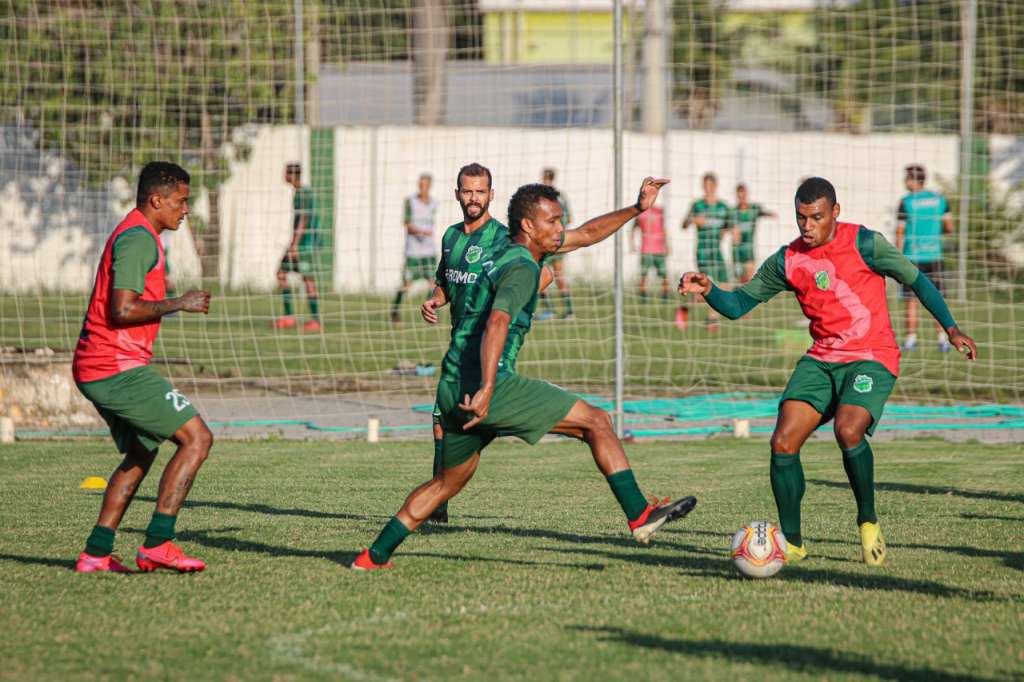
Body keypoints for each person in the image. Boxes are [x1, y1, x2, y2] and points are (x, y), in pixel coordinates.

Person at [352, 176, 698, 571]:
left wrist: (638, 209)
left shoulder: (512, 251)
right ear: (529, 226)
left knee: (445, 485)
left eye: (560, 220)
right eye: (552, 221)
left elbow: (586, 235)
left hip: (451, 384)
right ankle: (639, 515)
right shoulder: (520, 267)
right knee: (597, 421)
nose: (560, 228)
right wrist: (487, 387)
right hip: (488, 384)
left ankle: (372, 556)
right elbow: (498, 321)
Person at [678, 177, 977, 566]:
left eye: (816, 217)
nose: (807, 226)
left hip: (872, 355)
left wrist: (950, 328)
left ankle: (868, 521)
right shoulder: (788, 260)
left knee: (847, 430)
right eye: (801, 217)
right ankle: (795, 543)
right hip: (822, 360)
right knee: (783, 441)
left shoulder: (866, 243)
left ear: (835, 212)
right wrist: (708, 289)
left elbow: (917, 280)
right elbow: (737, 306)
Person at [72, 161, 214, 573]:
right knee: (198, 439)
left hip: (99, 365)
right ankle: (159, 543)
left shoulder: (138, 232)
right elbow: (123, 308)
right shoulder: (138, 240)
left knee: (141, 452)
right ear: (157, 200)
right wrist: (179, 302)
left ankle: (96, 554)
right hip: (114, 366)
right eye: (181, 201)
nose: (185, 210)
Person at [896, 164, 955, 352]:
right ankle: (942, 339)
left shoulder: (906, 202)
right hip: (934, 255)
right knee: (936, 298)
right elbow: (949, 227)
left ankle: (911, 340)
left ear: (913, 180)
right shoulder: (940, 200)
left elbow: (900, 231)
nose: (904, 182)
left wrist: (897, 257)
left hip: (912, 257)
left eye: (906, 178)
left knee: (911, 300)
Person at [274, 163, 322, 332]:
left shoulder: (304, 193)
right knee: (281, 274)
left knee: (307, 280)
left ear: (291, 175)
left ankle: (315, 320)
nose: (283, 176)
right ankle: (289, 317)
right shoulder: (299, 192)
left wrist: (294, 245)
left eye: (285, 173)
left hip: (305, 244)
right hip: (300, 243)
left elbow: (304, 219)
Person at [680, 172, 731, 331]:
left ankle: (708, 316)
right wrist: (693, 220)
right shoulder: (697, 205)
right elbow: (684, 224)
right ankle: (705, 317)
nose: (708, 188)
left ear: (715, 186)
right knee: (707, 285)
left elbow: (729, 224)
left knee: (724, 285)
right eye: (705, 185)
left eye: (711, 185)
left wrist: (729, 231)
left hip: (717, 250)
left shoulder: (723, 207)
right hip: (703, 251)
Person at [391, 173, 439, 323]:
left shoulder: (434, 203)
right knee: (406, 284)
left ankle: (427, 313)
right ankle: (395, 311)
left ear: (430, 186)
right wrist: (421, 231)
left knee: (433, 283)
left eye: (425, 185)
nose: (422, 188)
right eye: (420, 184)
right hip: (413, 251)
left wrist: (427, 233)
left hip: (428, 252)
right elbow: (407, 224)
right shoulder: (410, 202)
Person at [536, 167, 574, 320]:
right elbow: (570, 219)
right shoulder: (561, 196)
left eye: (545, 179)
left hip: (549, 242)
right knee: (545, 275)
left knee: (553, 276)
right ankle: (558, 310)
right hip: (556, 241)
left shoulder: (544, 198)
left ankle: (564, 310)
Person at [730, 183, 775, 283]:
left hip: (749, 250)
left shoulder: (754, 209)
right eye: (739, 196)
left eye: (744, 195)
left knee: (749, 279)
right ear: (737, 196)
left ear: (747, 194)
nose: (742, 198)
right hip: (737, 251)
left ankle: (748, 297)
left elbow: (763, 212)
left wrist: (769, 214)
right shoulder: (733, 212)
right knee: (739, 281)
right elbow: (727, 226)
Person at [631, 204, 670, 300]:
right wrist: (632, 244)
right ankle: (643, 296)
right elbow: (633, 229)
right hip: (646, 249)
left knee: (663, 274)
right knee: (643, 274)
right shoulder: (640, 213)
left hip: (659, 249)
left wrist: (667, 245)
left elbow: (663, 229)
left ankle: (665, 295)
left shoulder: (659, 211)